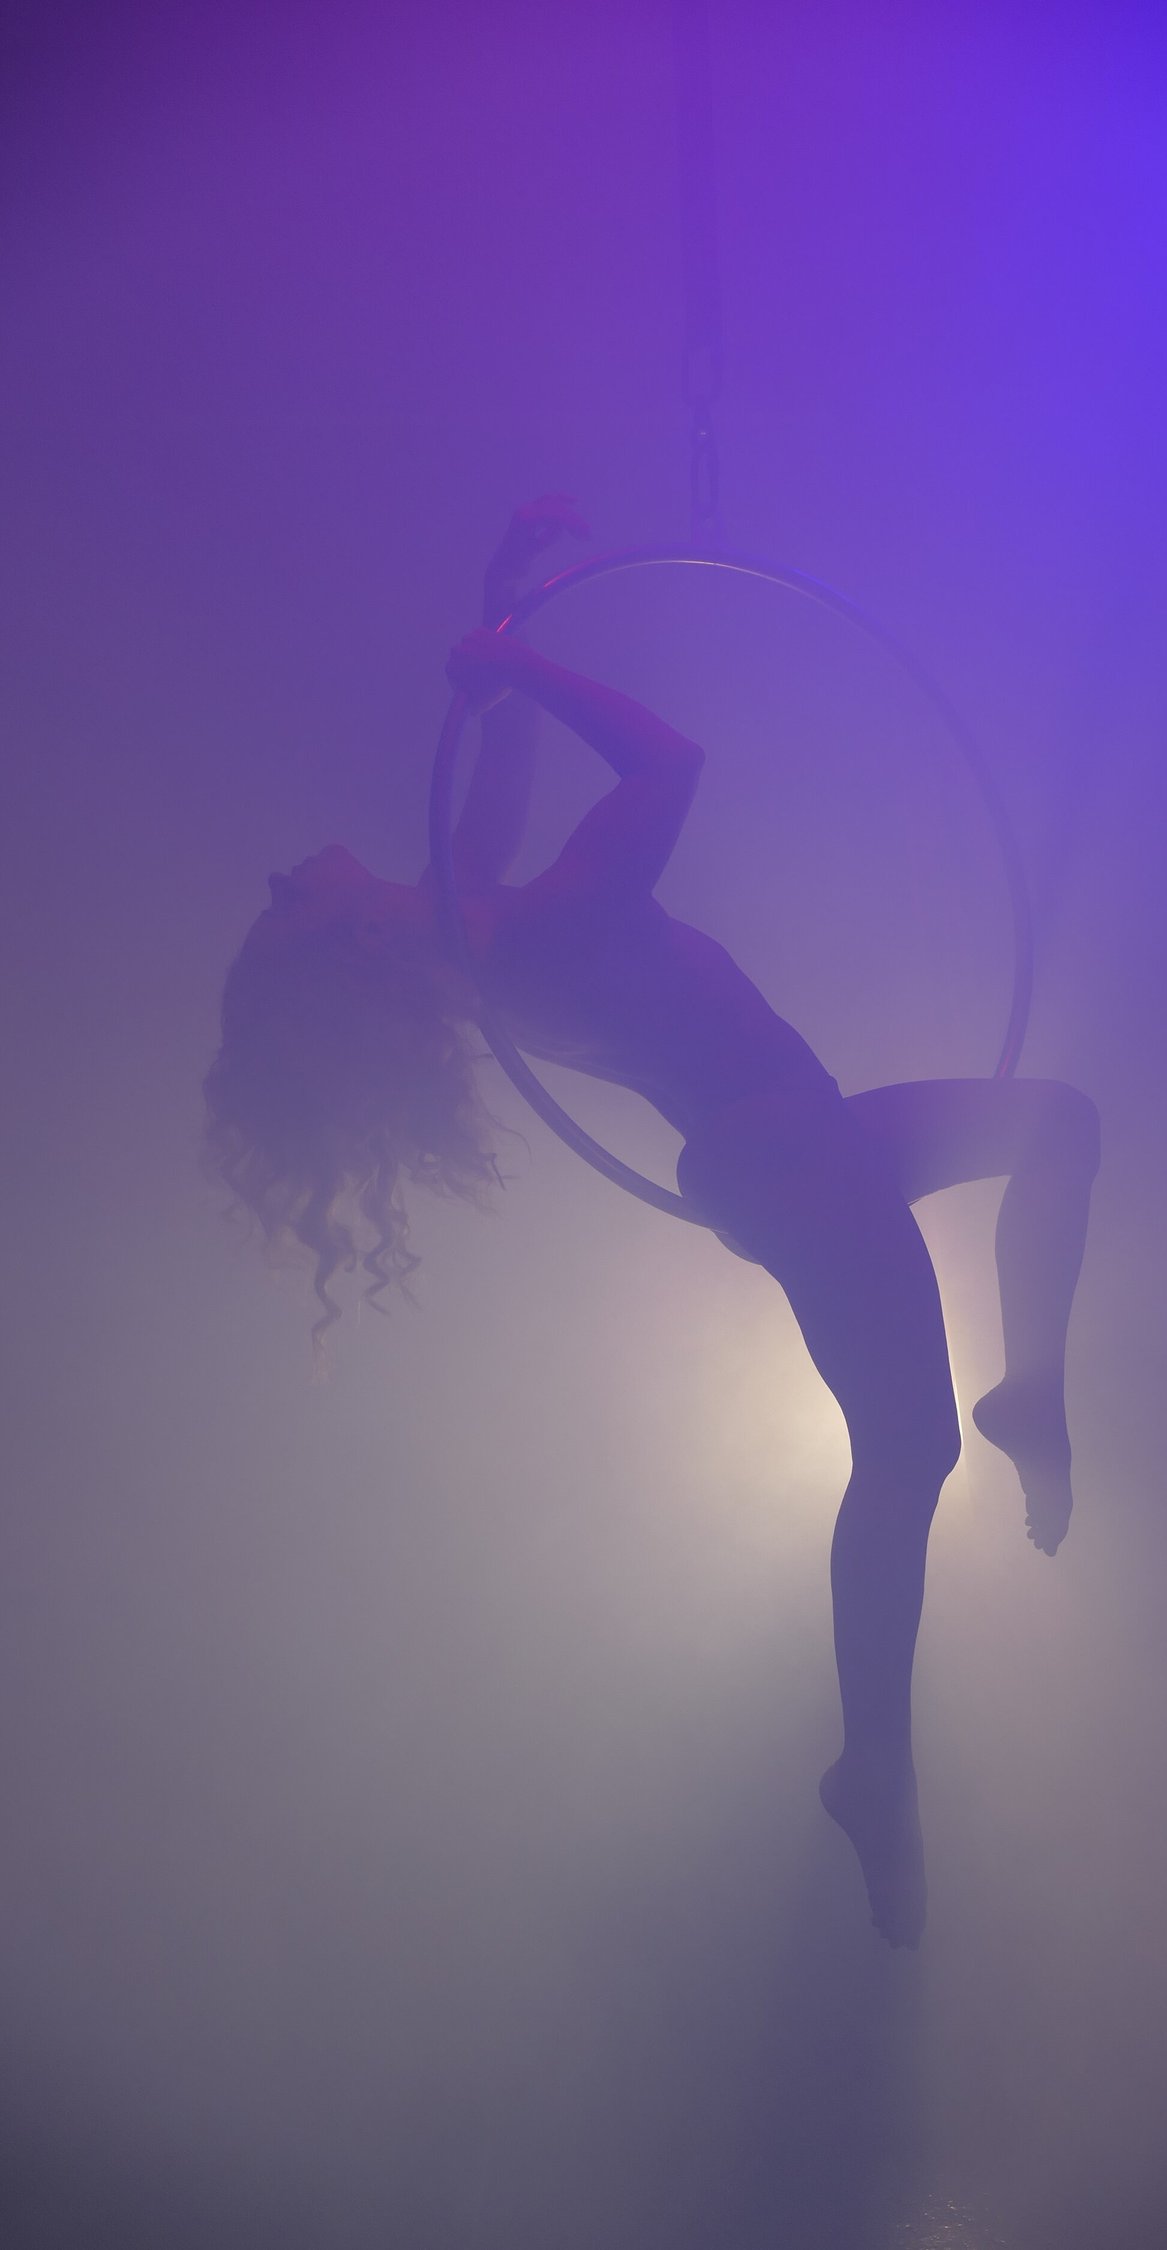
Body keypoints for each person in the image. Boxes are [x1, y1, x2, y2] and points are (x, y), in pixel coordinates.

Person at [204, 497, 1100, 1947]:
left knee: (1057, 1129)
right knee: (907, 1452)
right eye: (277, 911)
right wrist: (519, 659)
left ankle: (1031, 1399)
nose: (272, 879)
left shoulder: (467, 935)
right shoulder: (538, 928)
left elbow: (488, 791)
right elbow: (671, 762)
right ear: (337, 938)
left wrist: (506, 615)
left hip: (792, 1135)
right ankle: (874, 1764)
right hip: (780, 1147)